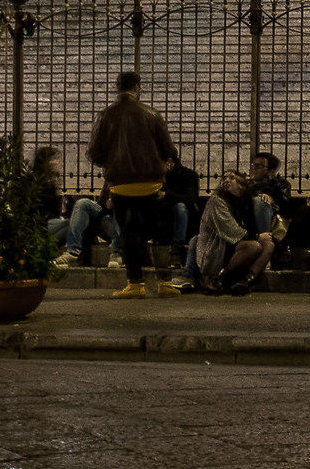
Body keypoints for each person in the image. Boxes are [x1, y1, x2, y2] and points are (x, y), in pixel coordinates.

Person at [85, 70, 178, 298]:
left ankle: (135, 284)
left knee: (129, 234)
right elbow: (169, 150)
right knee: (160, 232)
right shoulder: (152, 114)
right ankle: (164, 282)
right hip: (151, 184)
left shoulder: (106, 115)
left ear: (118, 88)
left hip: (121, 185)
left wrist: (114, 160)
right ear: (138, 88)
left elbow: (94, 154)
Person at [191, 173, 273, 295]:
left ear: (241, 185)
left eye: (232, 178)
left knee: (268, 244)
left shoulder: (246, 202)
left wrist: (268, 197)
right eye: (224, 178)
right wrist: (258, 237)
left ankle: (246, 281)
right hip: (219, 249)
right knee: (254, 246)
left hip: (237, 248)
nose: (227, 180)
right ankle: (218, 279)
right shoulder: (217, 201)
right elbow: (231, 231)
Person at [33, 147, 115, 270]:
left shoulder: (52, 182)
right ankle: (72, 251)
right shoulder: (37, 182)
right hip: (40, 225)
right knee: (76, 217)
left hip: (117, 227)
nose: (58, 162)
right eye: (54, 159)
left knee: (76, 216)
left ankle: (72, 252)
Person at [246, 151, 293, 238]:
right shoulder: (245, 183)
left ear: (270, 171)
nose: (253, 168)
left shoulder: (279, 183)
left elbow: (285, 204)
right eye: (253, 165)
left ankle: (265, 238)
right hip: (246, 216)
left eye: (259, 166)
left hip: (271, 217)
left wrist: (271, 199)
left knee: (260, 201)